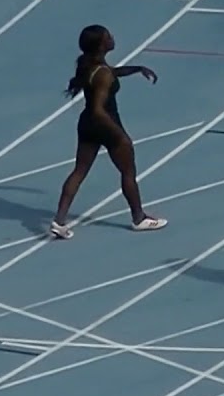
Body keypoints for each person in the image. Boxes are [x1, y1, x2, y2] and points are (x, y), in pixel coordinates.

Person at [50, 24, 166, 239]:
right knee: (128, 172)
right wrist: (119, 134)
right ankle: (139, 218)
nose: (113, 37)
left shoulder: (93, 66)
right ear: (102, 44)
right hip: (105, 124)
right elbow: (98, 109)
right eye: (108, 36)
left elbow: (112, 73)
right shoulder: (102, 73)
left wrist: (137, 68)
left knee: (79, 171)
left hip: (86, 125)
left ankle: (59, 220)